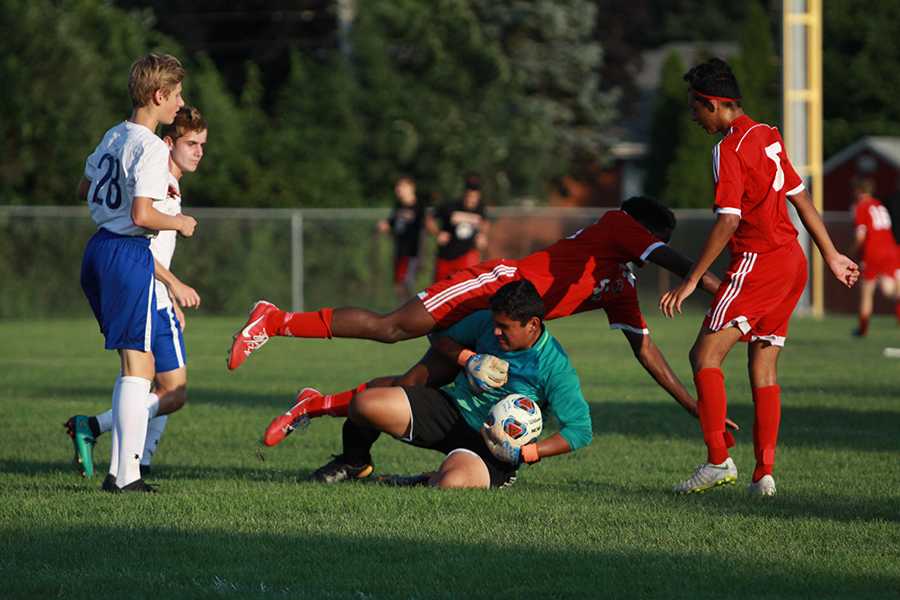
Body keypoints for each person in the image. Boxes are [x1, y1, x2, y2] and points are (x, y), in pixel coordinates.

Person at [232, 196, 740, 481]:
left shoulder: (620, 285)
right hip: (493, 288)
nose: (650, 247)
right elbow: (666, 259)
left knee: (413, 386)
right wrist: (716, 286)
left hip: (498, 324)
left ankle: (315, 405)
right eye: (655, 240)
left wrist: (693, 405)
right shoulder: (617, 224)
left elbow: (645, 349)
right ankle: (276, 320)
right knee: (393, 328)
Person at [659, 58, 859, 497]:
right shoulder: (767, 133)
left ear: (714, 104)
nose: (693, 116)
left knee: (703, 356)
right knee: (763, 366)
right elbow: (801, 199)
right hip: (792, 263)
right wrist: (831, 255)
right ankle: (763, 475)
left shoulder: (728, 150)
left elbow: (728, 222)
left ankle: (717, 460)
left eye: (696, 107)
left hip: (758, 263)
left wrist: (693, 279)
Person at [274, 280, 593, 489]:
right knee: (365, 404)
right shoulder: (485, 322)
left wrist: (526, 453)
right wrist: (469, 359)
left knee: (449, 486)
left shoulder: (555, 367)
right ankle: (355, 462)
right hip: (451, 410)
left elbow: (580, 430)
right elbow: (440, 335)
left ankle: (423, 479)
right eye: (494, 325)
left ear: (533, 325)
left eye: (504, 328)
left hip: (492, 447)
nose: (495, 333)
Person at [76, 53, 196, 493]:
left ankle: (122, 470)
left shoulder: (114, 135)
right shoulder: (148, 146)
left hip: (100, 248)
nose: (180, 104)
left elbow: (85, 186)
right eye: (177, 95)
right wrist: (179, 222)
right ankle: (125, 476)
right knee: (139, 370)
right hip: (128, 252)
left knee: (134, 365)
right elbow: (144, 214)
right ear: (158, 95)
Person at [849, 178, 900, 336]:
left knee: (867, 290)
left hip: (873, 251)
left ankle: (863, 329)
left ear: (858, 191)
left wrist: (850, 252)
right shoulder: (879, 205)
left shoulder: (861, 206)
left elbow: (860, 236)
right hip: (891, 249)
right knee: (889, 289)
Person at [430, 174, 489, 282]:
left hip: (466, 255)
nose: (471, 200)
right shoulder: (450, 206)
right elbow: (430, 219)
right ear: (464, 193)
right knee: (440, 289)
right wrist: (438, 233)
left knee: (467, 286)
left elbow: (484, 222)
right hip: (446, 256)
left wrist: (482, 235)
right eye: (469, 195)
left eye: (474, 196)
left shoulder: (480, 208)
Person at [378, 175, 426, 300]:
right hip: (399, 252)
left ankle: (414, 315)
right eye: (398, 186)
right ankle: (404, 314)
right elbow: (392, 225)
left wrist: (421, 256)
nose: (399, 189)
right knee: (398, 286)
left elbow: (423, 231)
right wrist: (386, 226)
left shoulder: (419, 207)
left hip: (412, 253)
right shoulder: (398, 207)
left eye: (402, 186)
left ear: (411, 188)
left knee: (408, 285)